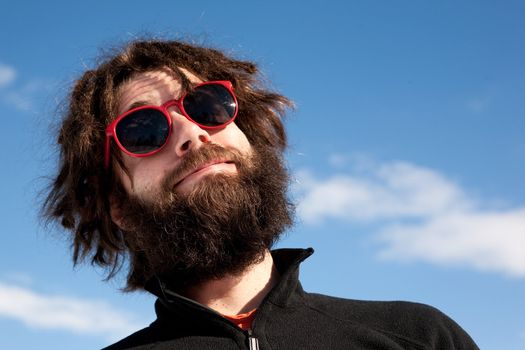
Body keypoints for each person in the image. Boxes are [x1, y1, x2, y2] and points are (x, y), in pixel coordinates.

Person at [43, 39, 479, 350]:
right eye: (143, 130)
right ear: (119, 206)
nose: (192, 132)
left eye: (207, 105)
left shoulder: (421, 336)